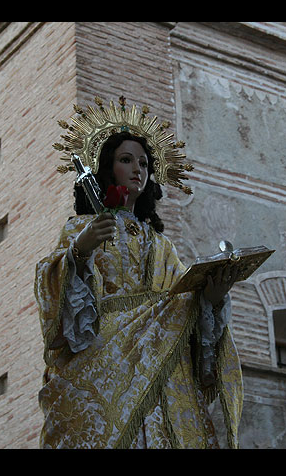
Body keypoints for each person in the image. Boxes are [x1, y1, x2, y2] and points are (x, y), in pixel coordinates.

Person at [34, 97, 244, 449]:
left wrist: (211, 298)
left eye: (144, 163)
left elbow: (180, 302)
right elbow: (54, 288)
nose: (138, 170)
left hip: (160, 370)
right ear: (107, 168)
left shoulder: (162, 248)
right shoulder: (81, 229)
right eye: (126, 160)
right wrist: (80, 251)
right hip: (103, 366)